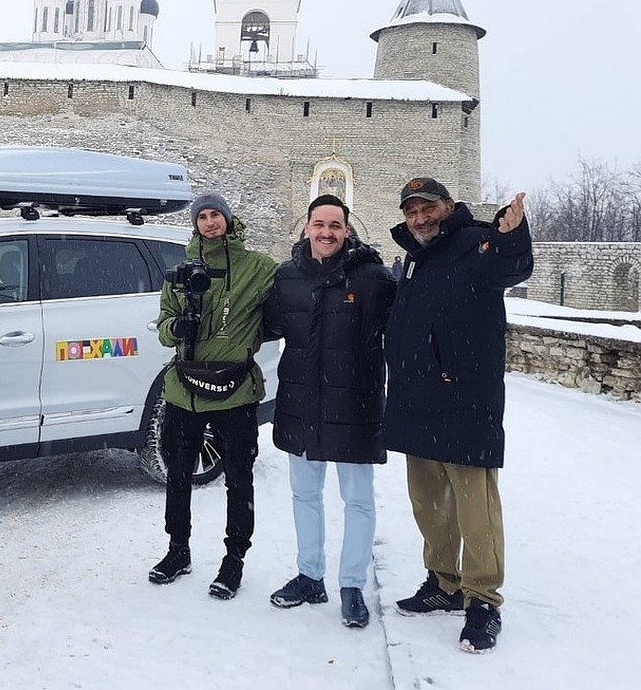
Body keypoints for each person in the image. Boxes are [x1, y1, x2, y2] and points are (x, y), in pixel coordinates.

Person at [384, 178, 532, 654]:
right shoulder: (415, 257)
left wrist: (512, 236)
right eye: (412, 211)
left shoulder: (477, 245)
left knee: (476, 509)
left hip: (465, 401)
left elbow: (509, 268)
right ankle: (444, 583)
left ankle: (483, 599)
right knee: (429, 505)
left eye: (429, 208)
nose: (421, 218)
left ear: (449, 206)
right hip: (416, 399)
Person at [262, 195, 396, 628]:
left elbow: (405, 329)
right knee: (304, 495)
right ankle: (309, 576)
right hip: (302, 405)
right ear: (306, 228)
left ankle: (352, 585)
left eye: (335, 225)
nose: (326, 232)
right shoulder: (287, 279)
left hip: (354, 407)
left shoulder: (373, 278)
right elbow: (259, 325)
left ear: (347, 230)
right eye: (319, 224)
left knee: (357, 499)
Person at [149, 192, 277, 600]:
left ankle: (234, 559)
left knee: (239, 479)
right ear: (195, 224)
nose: (209, 222)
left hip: (236, 391)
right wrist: (176, 330)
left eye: (215, 215)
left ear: (228, 218)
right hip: (183, 389)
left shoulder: (257, 268)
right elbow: (163, 323)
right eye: (202, 216)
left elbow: (290, 294)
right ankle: (178, 550)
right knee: (179, 474)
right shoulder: (179, 272)